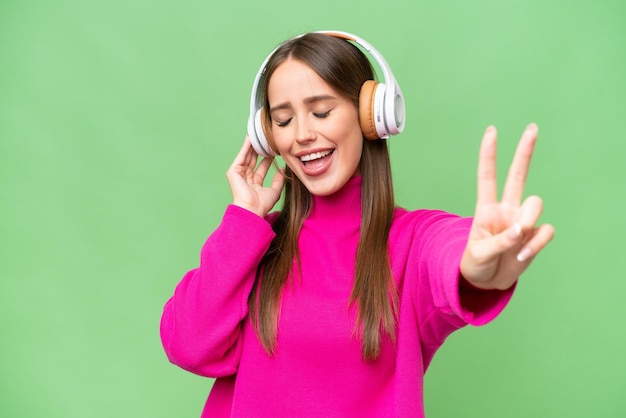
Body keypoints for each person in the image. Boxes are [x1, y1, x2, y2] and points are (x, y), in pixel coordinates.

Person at [160, 31, 554, 417]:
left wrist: (473, 266)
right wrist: (244, 222)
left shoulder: (411, 241)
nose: (302, 135)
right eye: (283, 120)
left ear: (372, 115)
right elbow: (188, 345)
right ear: (267, 136)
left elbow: (447, 248)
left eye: (321, 112)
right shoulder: (252, 245)